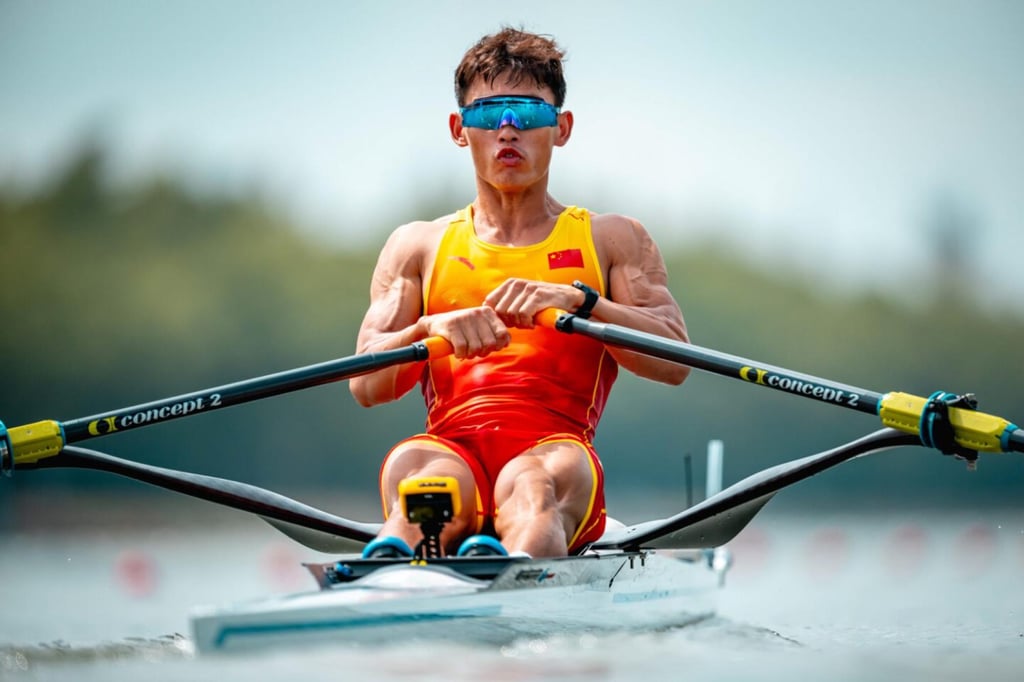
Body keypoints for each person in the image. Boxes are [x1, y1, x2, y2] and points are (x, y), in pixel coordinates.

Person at [349, 27, 690, 559]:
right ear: (460, 129)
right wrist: (427, 329)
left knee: (535, 486)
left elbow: (674, 360)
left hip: (555, 449)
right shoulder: (417, 245)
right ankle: (394, 566)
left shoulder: (612, 238)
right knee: (423, 482)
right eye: (488, 114)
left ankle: (513, 573)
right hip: (448, 449)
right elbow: (367, 386)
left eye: (529, 114)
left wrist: (581, 302)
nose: (508, 129)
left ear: (563, 128)